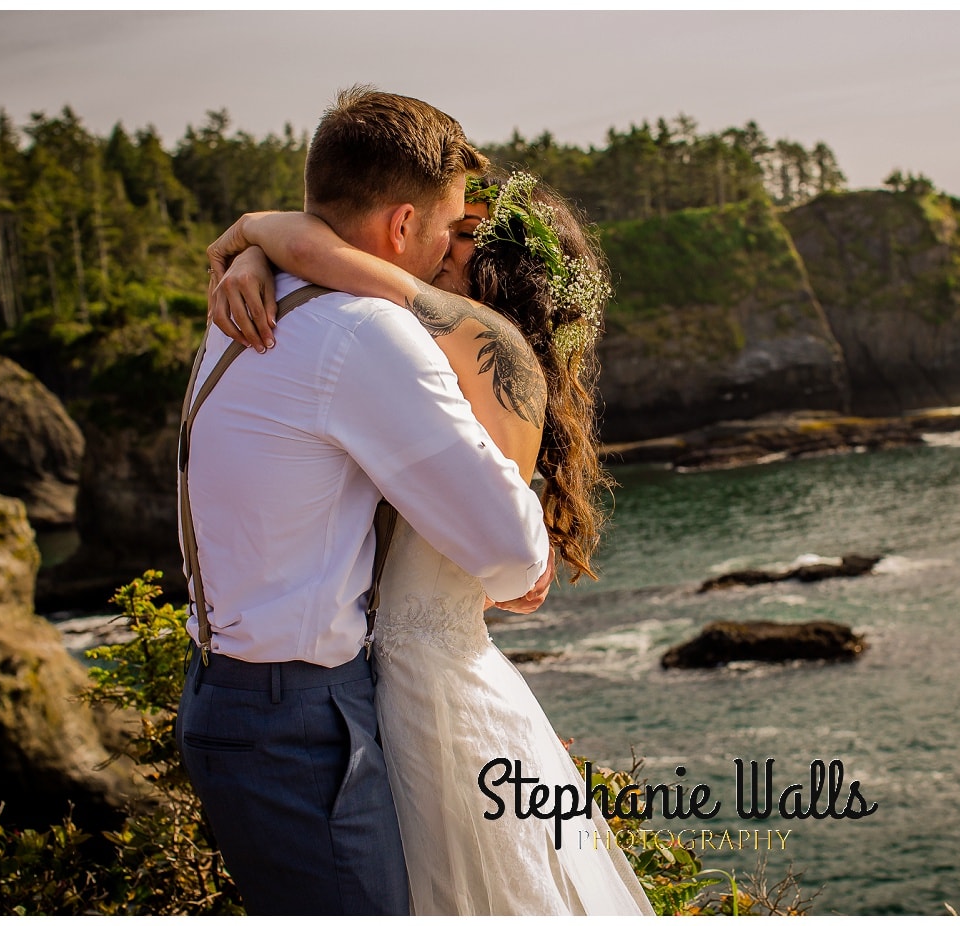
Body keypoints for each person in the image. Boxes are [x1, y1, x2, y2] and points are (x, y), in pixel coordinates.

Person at [194, 95, 649, 914]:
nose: (440, 248)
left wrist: (269, 236)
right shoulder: (370, 334)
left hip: (414, 702)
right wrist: (265, 245)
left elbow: (512, 560)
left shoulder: (452, 346)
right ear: (407, 225)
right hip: (358, 704)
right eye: (442, 226)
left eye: (460, 236)